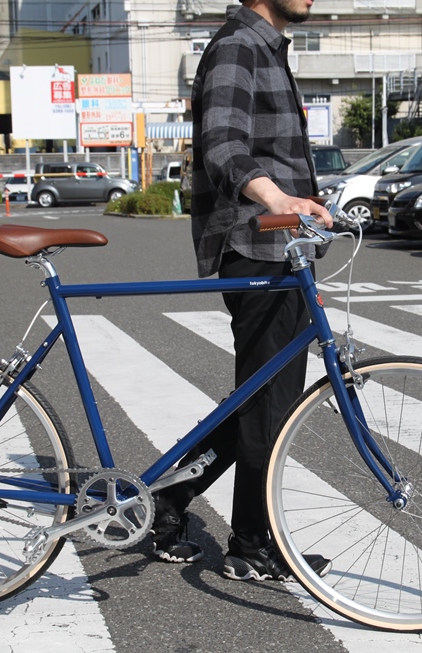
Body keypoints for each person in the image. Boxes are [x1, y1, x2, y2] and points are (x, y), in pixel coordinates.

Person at [149, 0, 334, 581]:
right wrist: (278, 199)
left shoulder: (267, 48)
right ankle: (251, 544)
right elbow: (222, 144)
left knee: (260, 399)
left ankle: (170, 498)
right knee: (270, 405)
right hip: (256, 246)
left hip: (284, 249)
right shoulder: (237, 46)